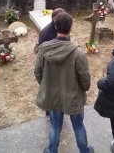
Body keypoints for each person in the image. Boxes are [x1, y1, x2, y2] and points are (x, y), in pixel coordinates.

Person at [34, 12, 94, 153]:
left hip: (53, 97)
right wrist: (83, 88)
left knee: (55, 126)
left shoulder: (43, 49)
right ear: (70, 27)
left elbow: (37, 72)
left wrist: (46, 85)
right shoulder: (78, 53)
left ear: (55, 26)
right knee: (78, 125)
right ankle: (85, 151)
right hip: (73, 97)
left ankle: (52, 150)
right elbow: (85, 80)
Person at [34, 7, 66, 116]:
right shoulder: (46, 33)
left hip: (61, 69)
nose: (63, 20)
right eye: (61, 18)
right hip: (50, 70)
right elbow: (43, 56)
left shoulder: (61, 28)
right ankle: (49, 115)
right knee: (51, 97)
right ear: (54, 19)